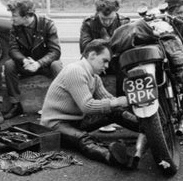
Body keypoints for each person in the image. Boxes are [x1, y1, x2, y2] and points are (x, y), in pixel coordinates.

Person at [41, 39, 141, 169]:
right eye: (104, 61)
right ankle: (113, 158)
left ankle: (147, 129)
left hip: (76, 120)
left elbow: (110, 100)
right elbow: (87, 106)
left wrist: (132, 103)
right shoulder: (75, 70)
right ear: (92, 55)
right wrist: (117, 101)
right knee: (83, 139)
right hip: (55, 125)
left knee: (115, 111)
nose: (106, 66)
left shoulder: (95, 77)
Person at [3, 0, 63, 119]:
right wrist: (24, 60)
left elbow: (55, 51)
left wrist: (38, 64)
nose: (12, 19)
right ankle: (16, 105)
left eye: (14, 16)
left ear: (26, 17)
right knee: (9, 65)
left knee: (57, 65)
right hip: (25, 64)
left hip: (44, 65)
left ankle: (63, 103)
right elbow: (13, 49)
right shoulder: (15, 27)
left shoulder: (47, 24)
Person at [80, 0, 130, 96]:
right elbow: (85, 47)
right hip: (97, 59)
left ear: (116, 12)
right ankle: (86, 99)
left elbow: (127, 47)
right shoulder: (88, 23)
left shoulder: (124, 22)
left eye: (110, 19)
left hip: (117, 61)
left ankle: (121, 101)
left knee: (126, 62)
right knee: (83, 64)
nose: (107, 22)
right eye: (103, 19)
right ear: (97, 13)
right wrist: (108, 43)